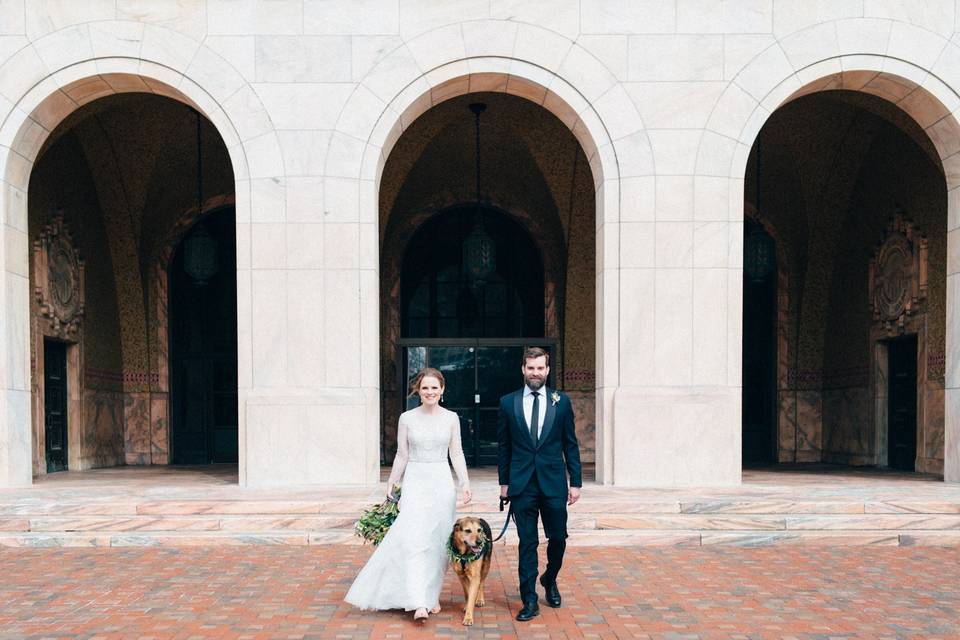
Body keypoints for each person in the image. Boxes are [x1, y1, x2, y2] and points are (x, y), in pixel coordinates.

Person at [345, 367, 471, 621]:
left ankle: (430, 595)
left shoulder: (451, 418)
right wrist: (392, 481)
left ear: (442, 390)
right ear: (418, 390)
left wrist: (464, 482)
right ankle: (417, 601)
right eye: (425, 387)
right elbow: (402, 454)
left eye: (435, 387)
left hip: (441, 483)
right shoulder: (407, 418)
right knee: (414, 541)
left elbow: (456, 453)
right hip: (415, 480)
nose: (430, 392)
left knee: (437, 544)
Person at [497, 347, 582, 622]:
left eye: (540, 368)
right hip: (522, 485)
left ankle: (550, 578)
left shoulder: (562, 401)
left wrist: (576, 482)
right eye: (531, 368)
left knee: (558, 538)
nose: (536, 373)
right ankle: (529, 600)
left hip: (554, 482)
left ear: (547, 370)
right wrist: (504, 482)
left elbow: (570, 443)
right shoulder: (507, 403)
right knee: (527, 543)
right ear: (523, 369)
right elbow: (504, 446)